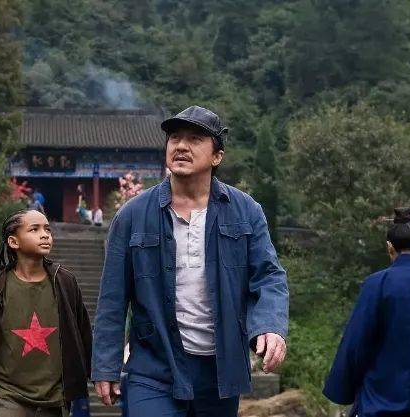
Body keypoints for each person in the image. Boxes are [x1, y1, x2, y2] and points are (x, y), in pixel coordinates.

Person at [91, 105, 289, 417]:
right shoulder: (133, 215)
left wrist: (270, 326)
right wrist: (106, 364)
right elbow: (112, 298)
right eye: (175, 138)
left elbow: (268, 276)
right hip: (154, 367)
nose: (181, 146)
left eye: (195, 139)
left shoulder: (245, 211)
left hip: (220, 370)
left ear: (217, 156)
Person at [0, 209, 92, 417]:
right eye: (34, 229)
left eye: (47, 230)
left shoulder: (64, 283)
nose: (45, 235)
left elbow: (84, 334)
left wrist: (102, 375)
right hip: (7, 397)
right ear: (13, 242)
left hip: (54, 401)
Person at [323, 207, 410, 417]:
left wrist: (343, 390)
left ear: (390, 248)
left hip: (380, 402)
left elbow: (356, 345)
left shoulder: (376, 284)